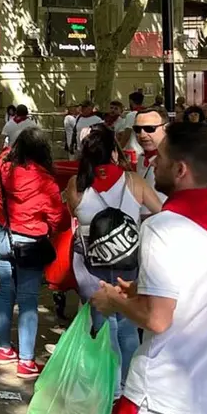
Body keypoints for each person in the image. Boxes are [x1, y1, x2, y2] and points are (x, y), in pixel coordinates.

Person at [94, 122, 207, 414]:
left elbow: (157, 319)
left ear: (180, 169)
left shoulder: (163, 227)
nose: (152, 162)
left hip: (168, 407)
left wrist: (113, 301)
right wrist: (143, 292)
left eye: (160, 158)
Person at [63, 125, 162, 385]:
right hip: (127, 261)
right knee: (128, 324)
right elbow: (160, 211)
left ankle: (109, 385)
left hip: (89, 263)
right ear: (114, 153)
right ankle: (128, 383)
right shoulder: (134, 181)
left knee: (103, 323)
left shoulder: (76, 184)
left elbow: (74, 214)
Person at [0, 127, 66, 379]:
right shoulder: (47, 181)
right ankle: (26, 361)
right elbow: (56, 216)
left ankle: (3, 348)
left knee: (5, 291)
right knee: (28, 300)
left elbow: (5, 152)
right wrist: (50, 232)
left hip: (1, 232)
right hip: (30, 240)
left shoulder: (3, 165)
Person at [131, 108, 169, 200]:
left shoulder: (176, 160)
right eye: (137, 129)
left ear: (166, 128)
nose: (142, 134)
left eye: (150, 128)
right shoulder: (141, 158)